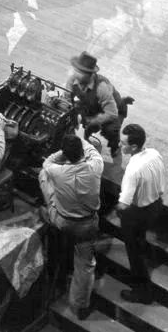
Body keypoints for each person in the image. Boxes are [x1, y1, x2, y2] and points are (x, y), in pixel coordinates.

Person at [40, 134, 104, 322]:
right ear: (82, 152)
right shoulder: (95, 166)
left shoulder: (56, 171)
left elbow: (47, 162)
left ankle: (47, 211)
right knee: (85, 265)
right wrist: (79, 140)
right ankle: (79, 306)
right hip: (87, 224)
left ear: (66, 154)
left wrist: (63, 151)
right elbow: (92, 151)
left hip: (63, 220)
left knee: (43, 176)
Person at [116, 123, 168, 304]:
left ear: (133, 147)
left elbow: (123, 205)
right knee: (140, 240)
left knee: (134, 254)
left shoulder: (133, 169)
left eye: (122, 142)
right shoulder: (155, 154)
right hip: (157, 206)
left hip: (139, 214)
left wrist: (119, 212)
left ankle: (142, 292)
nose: (119, 144)